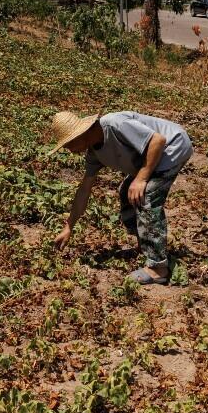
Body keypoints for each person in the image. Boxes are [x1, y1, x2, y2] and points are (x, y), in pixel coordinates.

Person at [49, 110, 193, 285]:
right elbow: (84, 189)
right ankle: (145, 245)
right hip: (153, 154)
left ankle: (158, 268)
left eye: (68, 144)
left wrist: (141, 179)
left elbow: (158, 141)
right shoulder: (94, 153)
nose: (70, 151)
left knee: (146, 196)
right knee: (127, 192)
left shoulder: (115, 125)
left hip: (173, 146)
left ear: (79, 135)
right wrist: (69, 227)